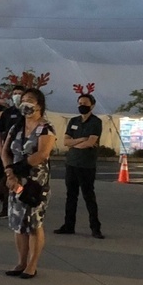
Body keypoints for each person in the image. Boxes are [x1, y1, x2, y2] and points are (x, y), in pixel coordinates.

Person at [1, 87, 56, 278]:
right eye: (22, 99)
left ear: (39, 104)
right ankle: (20, 262)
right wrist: (9, 172)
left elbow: (42, 154)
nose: (25, 102)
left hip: (35, 182)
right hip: (14, 180)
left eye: (30, 99)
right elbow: (5, 151)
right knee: (18, 223)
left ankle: (32, 265)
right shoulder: (16, 126)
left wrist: (18, 168)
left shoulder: (45, 128)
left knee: (33, 223)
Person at [55, 88, 104, 238]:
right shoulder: (74, 121)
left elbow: (90, 143)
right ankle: (68, 225)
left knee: (89, 197)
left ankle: (95, 228)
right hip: (72, 164)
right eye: (80, 103)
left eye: (85, 103)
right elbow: (65, 141)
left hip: (86, 165)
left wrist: (75, 143)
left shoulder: (96, 122)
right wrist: (81, 140)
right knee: (71, 196)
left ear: (92, 105)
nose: (82, 105)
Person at [0, 84, 26, 219]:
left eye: (20, 93)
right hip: (8, 151)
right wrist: (1, 147)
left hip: (23, 152)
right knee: (5, 181)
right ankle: (6, 206)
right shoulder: (8, 113)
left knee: (20, 179)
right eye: (15, 93)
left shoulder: (27, 112)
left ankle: (22, 202)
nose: (17, 95)